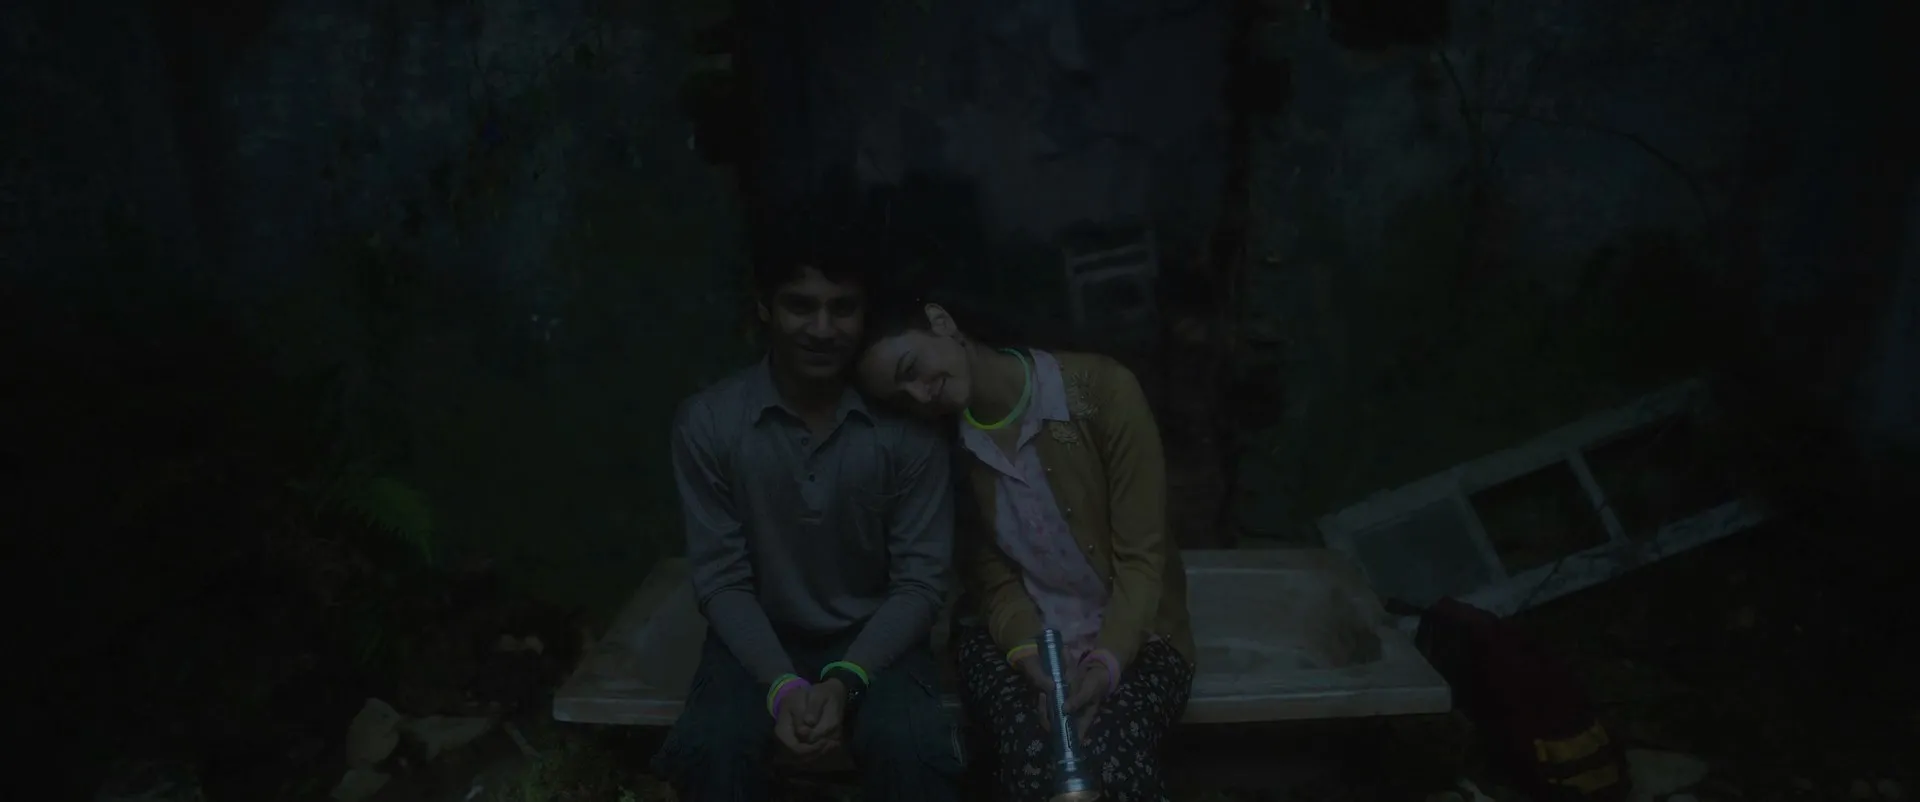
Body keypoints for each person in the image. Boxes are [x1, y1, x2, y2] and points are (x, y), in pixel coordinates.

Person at [650, 232, 965, 801]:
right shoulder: (710, 423)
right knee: (711, 751)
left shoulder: (909, 429)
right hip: (758, 635)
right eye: (800, 305)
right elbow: (722, 580)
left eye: (843, 308)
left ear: (864, 315)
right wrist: (782, 686)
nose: (823, 329)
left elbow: (920, 584)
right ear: (765, 308)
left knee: (914, 753)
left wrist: (845, 681)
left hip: (877, 637)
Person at [852, 295, 1197, 802]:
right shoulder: (946, 449)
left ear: (941, 322)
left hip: (1139, 633)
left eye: (912, 368)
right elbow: (992, 584)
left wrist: (1102, 667)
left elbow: (1143, 559)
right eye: (902, 398)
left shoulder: (1102, 392)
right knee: (1036, 753)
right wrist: (1036, 663)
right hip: (1015, 639)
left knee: (1109, 756)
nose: (921, 396)